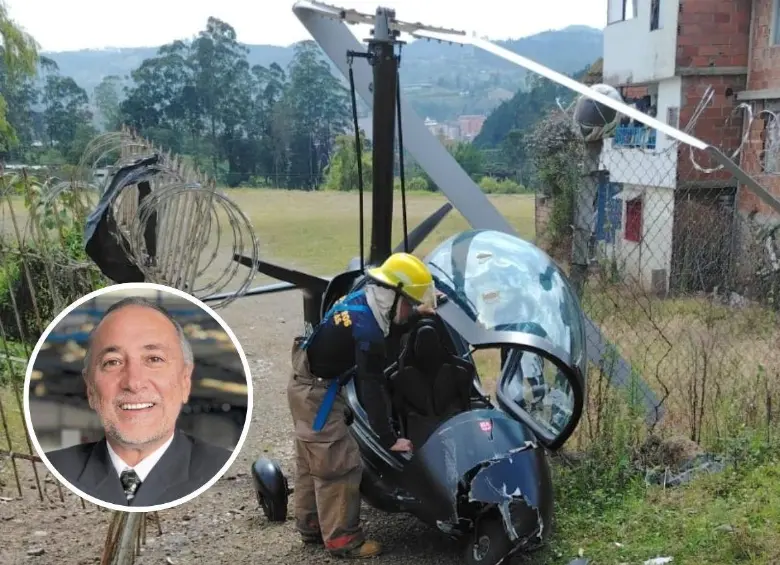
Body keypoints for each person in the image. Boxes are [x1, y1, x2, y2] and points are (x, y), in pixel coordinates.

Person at [287, 252, 438, 559]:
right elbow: (373, 389)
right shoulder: (367, 332)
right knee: (338, 463)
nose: (409, 310)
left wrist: (419, 313)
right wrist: (390, 438)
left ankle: (312, 525)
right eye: (409, 303)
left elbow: (391, 325)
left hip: (307, 379)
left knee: (311, 458)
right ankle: (344, 540)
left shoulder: (366, 300)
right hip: (317, 393)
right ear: (393, 296)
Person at [45, 296, 232, 507]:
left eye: (154, 359)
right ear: (90, 388)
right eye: (112, 362)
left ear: (185, 381)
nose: (134, 383)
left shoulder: (220, 468)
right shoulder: (54, 469)